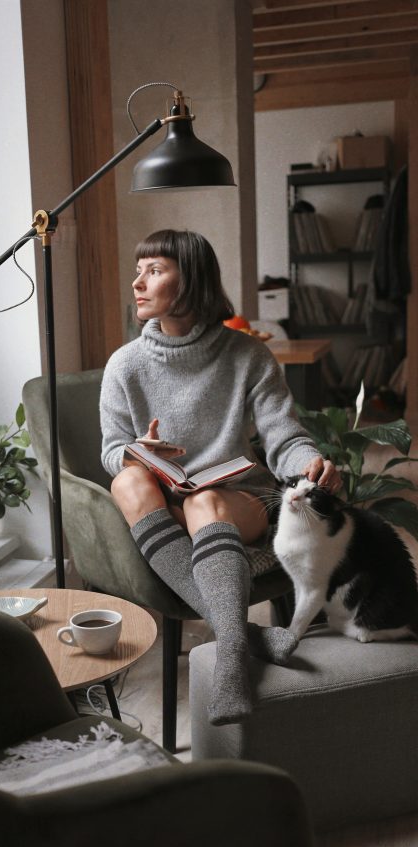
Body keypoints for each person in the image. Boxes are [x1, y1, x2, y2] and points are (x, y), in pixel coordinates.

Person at [99, 229, 341, 726]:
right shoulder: (124, 365)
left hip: (234, 500)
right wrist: (136, 453)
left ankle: (230, 656)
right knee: (126, 481)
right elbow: (110, 451)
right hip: (161, 498)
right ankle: (240, 639)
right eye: (138, 270)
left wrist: (308, 464)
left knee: (202, 502)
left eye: (155, 270)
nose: (137, 282)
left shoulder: (247, 355)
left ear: (191, 280)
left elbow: (283, 436)